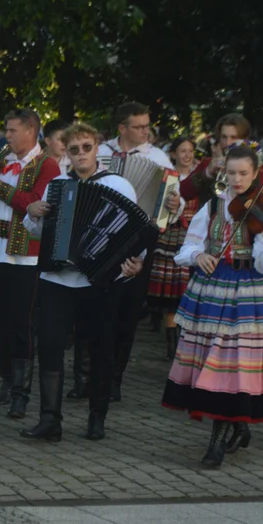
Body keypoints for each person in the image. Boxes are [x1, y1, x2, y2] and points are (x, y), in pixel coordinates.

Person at [163, 145, 263, 468]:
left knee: (231, 366)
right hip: (214, 288)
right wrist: (198, 255)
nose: (237, 179)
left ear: (257, 173)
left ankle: (217, 443)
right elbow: (189, 245)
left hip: (248, 295)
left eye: (244, 173)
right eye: (231, 173)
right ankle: (239, 425)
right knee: (214, 362)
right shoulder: (213, 205)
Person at [23, 124, 144, 442]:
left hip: (100, 280)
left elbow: (134, 231)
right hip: (59, 278)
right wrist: (32, 214)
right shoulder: (58, 186)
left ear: (97, 146)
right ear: (65, 151)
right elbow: (40, 234)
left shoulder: (118, 185)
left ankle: (97, 417)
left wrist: (136, 261)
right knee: (49, 345)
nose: (80, 154)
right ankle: (50, 419)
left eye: (86, 147)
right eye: (73, 149)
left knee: (100, 347)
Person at [0, 108, 59, 419]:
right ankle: (7, 380)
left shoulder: (49, 166)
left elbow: (31, 204)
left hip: (25, 258)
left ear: (31, 130)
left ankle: (20, 392)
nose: (7, 136)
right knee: (0, 323)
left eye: (12, 130)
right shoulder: (3, 163)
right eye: (7, 130)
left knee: (21, 325)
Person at [98, 102, 179, 402]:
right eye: (139, 126)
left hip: (138, 241)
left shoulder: (158, 157)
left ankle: (115, 378)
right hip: (101, 237)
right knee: (95, 309)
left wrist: (175, 205)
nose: (147, 131)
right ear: (122, 128)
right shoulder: (101, 152)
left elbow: (173, 201)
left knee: (127, 312)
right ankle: (89, 376)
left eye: (147, 126)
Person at [149, 137, 200, 359]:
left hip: (196, 236)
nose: (186, 155)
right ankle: (173, 344)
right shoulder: (170, 178)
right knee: (172, 293)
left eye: (190, 151)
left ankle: (189, 340)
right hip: (172, 235)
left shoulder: (201, 179)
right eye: (182, 151)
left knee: (191, 289)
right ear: (173, 154)